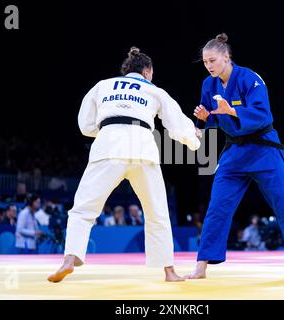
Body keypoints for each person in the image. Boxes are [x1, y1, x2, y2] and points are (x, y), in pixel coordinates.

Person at [48, 46, 201, 283]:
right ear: (148, 71)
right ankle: (169, 272)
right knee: (157, 213)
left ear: (125, 70)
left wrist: (107, 127)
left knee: (83, 209)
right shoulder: (154, 90)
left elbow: (85, 125)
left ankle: (69, 260)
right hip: (143, 149)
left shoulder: (103, 85)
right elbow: (176, 122)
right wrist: (193, 140)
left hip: (109, 146)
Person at [187, 33, 284, 279]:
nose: (209, 65)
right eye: (205, 62)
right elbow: (213, 118)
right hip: (234, 152)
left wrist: (231, 109)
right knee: (217, 207)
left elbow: (263, 115)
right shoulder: (207, 85)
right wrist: (204, 119)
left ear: (226, 57)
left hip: (264, 149)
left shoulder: (250, 79)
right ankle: (200, 267)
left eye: (212, 60)